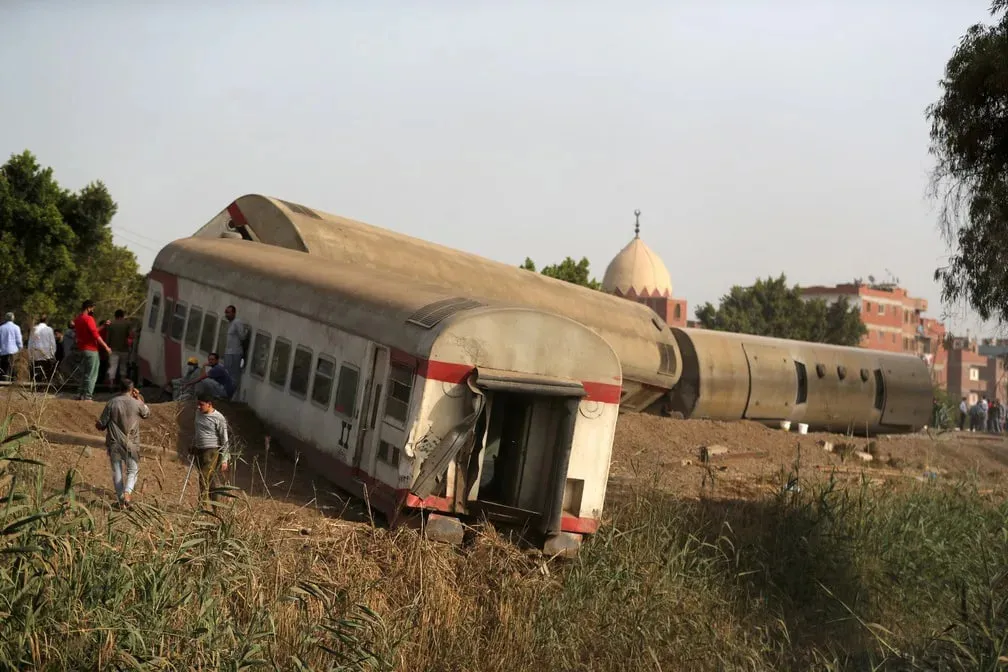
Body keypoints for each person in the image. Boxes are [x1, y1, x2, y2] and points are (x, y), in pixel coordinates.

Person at [95, 378, 150, 508]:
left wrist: (98, 424)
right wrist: (139, 398)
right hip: (132, 443)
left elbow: (102, 424)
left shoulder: (112, 403)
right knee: (133, 470)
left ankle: (121, 501)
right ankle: (127, 493)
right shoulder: (137, 403)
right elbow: (146, 413)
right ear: (132, 390)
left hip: (114, 443)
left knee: (117, 471)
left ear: (119, 389)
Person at [190, 393, 230, 505]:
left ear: (209, 404)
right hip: (199, 449)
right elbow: (198, 431)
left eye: (201, 404)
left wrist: (225, 459)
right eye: (197, 404)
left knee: (203, 476)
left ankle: (202, 506)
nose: (198, 406)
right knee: (210, 479)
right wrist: (194, 445)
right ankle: (216, 506)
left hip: (212, 451)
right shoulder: (198, 413)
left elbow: (224, 439)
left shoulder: (219, 418)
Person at [73, 300, 112, 401]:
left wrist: (103, 326)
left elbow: (92, 331)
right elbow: (95, 335)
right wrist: (106, 347)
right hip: (91, 350)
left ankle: (79, 393)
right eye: (92, 308)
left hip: (82, 349)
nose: (93, 310)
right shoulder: (89, 319)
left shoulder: (78, 319)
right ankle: (88, 396)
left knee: (85, 372)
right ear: (88, 308)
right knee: (92, 373)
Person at [222, 305, 250, 400]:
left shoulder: (237, 322)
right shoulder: (230, 323)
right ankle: (227, 393)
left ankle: (232, 396)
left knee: (234, 375)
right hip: (229, 352)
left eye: (229, 312)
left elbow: (242, 336)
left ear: (234, 313)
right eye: (226, 312)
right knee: (228, 374)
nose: (227, 315)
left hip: (235, 353)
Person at [105, 309, 133, 387]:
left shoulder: (111, 324)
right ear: (123, 315)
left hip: (113, 349)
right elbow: (131, 335)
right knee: (123, 367)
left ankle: (111, 384)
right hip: (124, 349)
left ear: (115, 315)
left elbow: (108, 338)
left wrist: (107, 347)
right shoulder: (127, 324)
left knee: (112, 366)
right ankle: (123, 385)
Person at [27, 315, 57, 385]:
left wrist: (30, 355)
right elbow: (52, 343)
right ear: (46, 321)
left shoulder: (34, 329)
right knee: (45, 372)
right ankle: (44, 386)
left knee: (37, 372)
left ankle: (36, 386)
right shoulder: (49, 329)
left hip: (36, 354)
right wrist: (53, 354)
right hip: (46, 355)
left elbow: (30, 343)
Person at [0, 312, 23, 382]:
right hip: (14, 352)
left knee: (4, 370)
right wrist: (20, 349)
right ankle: (12, 389)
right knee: (14, 370)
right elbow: (19, 341)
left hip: (3, 352)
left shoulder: (1, 328)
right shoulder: (16, 328)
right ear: (13, 318)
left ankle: (4, 386)